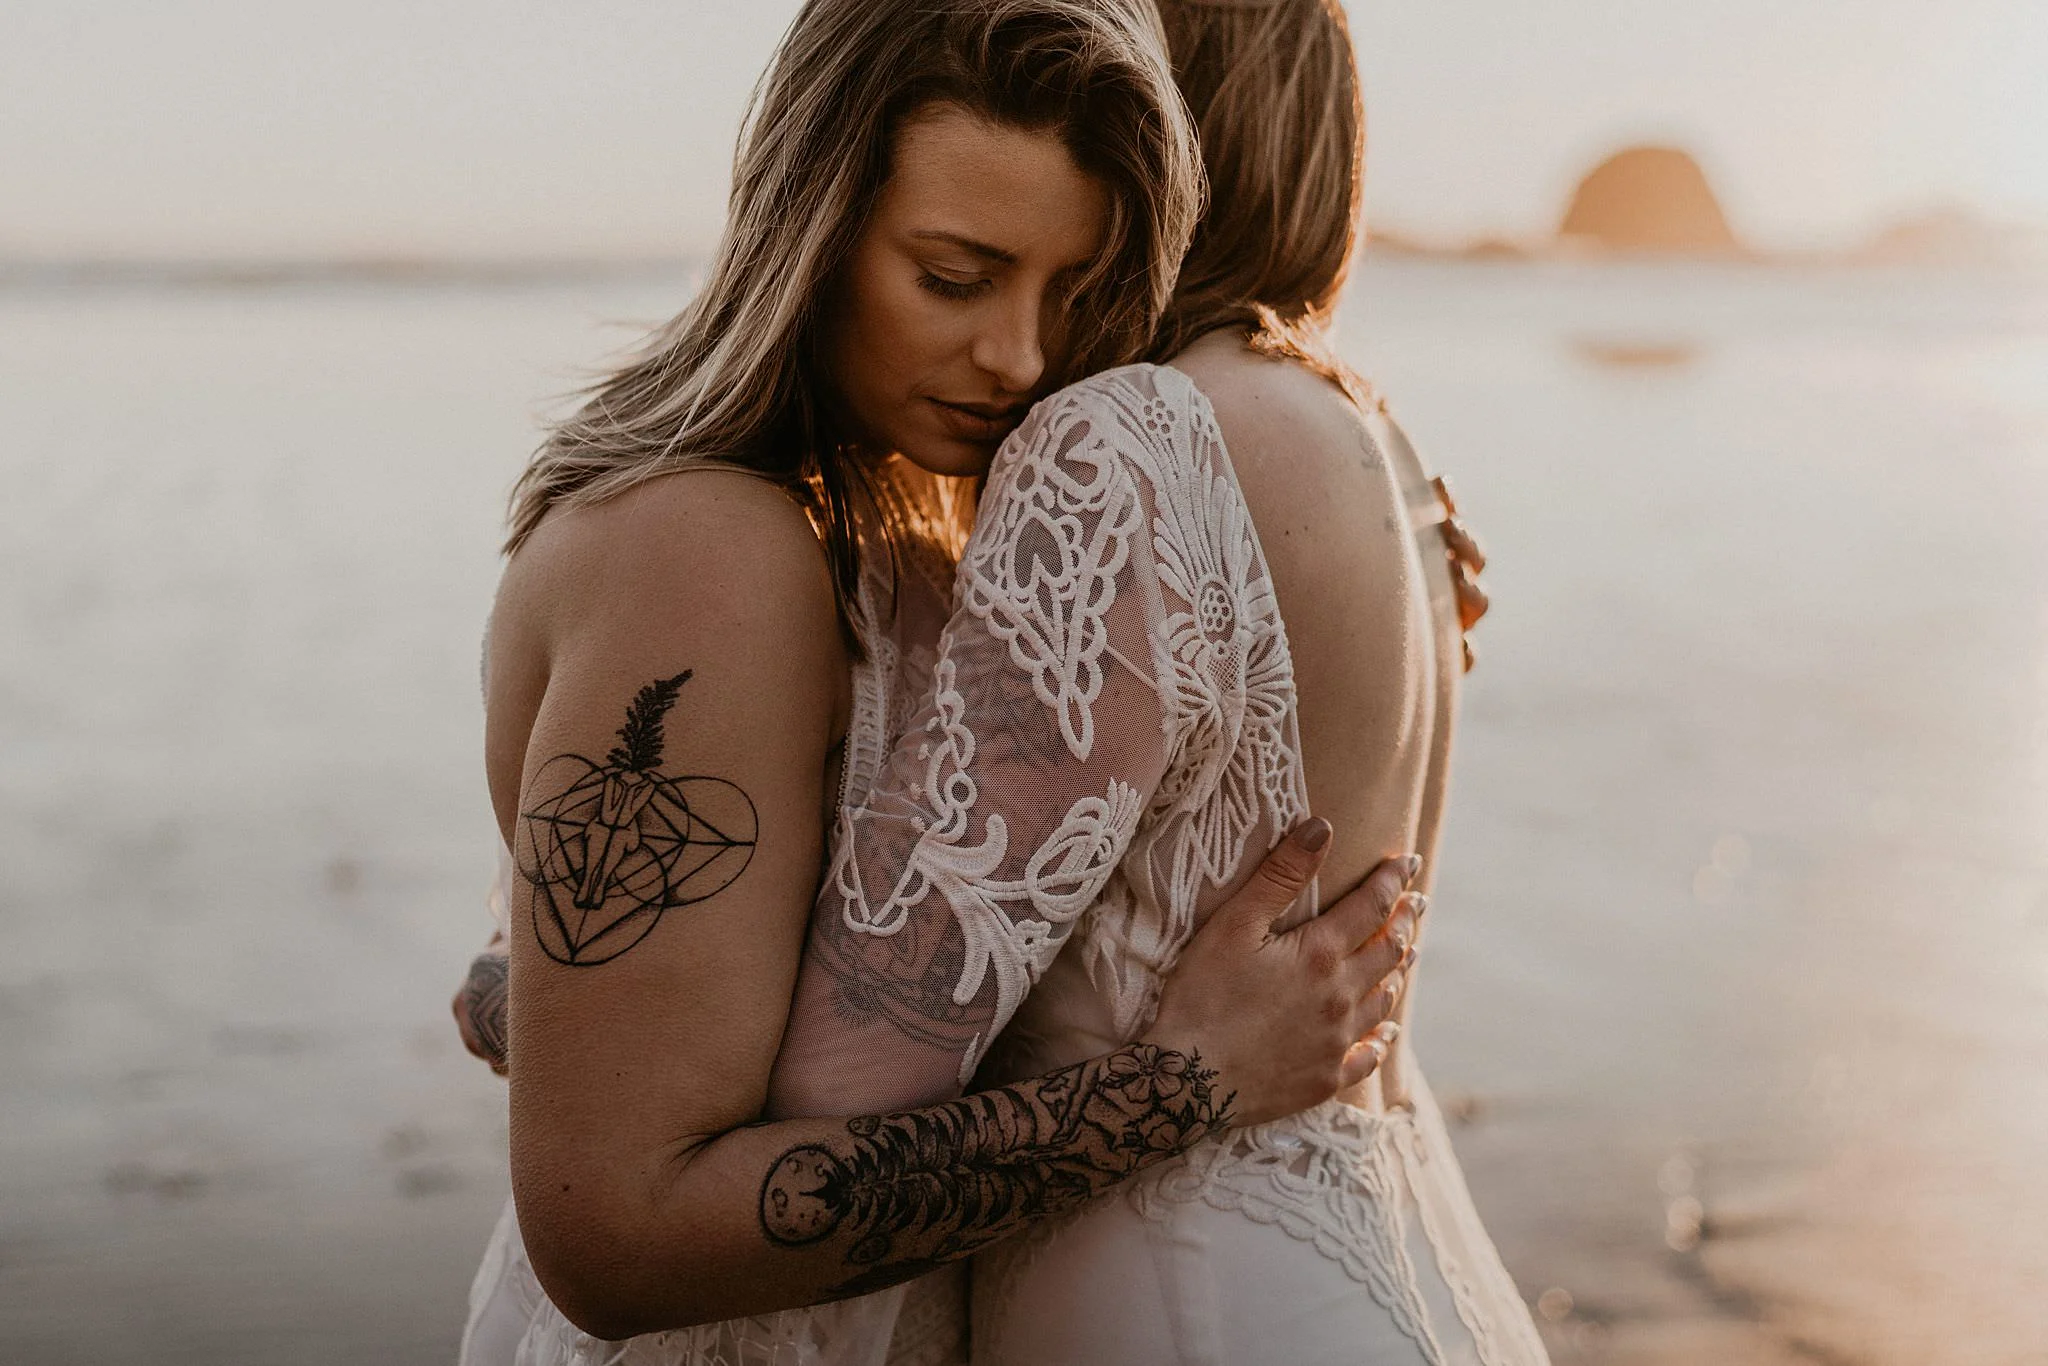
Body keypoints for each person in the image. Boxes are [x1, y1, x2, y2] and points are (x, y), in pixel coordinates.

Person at [455, 2, 1425, 1363]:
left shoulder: (893, 531)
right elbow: (613, 1231)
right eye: (955, 276)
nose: (1022, 358)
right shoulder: (703, 552)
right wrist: (1184, 1083)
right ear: (813, 231)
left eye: (1071, 290)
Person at [760, 0, 1547, 1361]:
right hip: (1397, 1263)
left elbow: (841, 1087)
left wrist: (575, 992)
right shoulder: (1376, 441)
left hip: (1180, 1301)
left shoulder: (1122, 446)